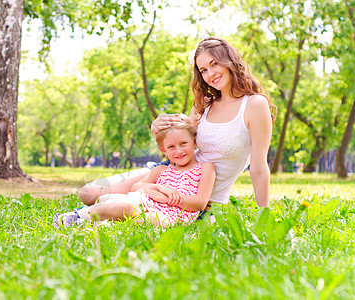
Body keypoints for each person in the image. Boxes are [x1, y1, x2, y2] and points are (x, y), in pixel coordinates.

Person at [78, 36, 275, 210]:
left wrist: (263, 215)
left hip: (198, 193)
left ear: (229, 61)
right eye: (203, 70)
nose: (210, 74)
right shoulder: (205, 104)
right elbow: (178, 146)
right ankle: (128, 200)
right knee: (89, 193)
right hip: (170, 173)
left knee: (108, 201)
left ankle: (126, 202)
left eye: (215, 64)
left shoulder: (254, 105)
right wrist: (157, 130)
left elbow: (258, 168)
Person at [54, 116, 216, 228]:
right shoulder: (162, 169)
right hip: (145, 203)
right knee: (108, 198)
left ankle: (79, 217)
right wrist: (158, 189)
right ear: (163, 150)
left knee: (134, 211)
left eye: (183, 143)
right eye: (171, 147)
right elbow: (137, 187)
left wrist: (169, 199)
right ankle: (88, 219)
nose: (179, 151)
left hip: (170, 216)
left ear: (194, 142)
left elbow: (200, 203)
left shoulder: (205, 168)